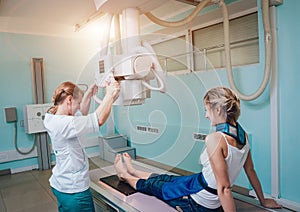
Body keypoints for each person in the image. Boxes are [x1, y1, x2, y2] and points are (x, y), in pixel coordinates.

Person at [114, 87, 282, 212]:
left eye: (206, 110)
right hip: (198, 182)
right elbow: (250, 170)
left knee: (153, 186)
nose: (206, 115)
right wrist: (263, 200)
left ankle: (125, 175)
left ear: (217, 109)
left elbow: (224, 188)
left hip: (198, 200)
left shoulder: (215, 139)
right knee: (167, 178)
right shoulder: (242, 135)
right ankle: (132, 169)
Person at [44, 81, 120, 212]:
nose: (79, 107)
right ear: (69, 100)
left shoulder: (54, 118)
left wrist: (89, 94)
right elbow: (99, 119)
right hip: (74, 190)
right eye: (77, 103)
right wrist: (110, 95)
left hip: (61, 184)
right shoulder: (65, 124)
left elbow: (81, 115)